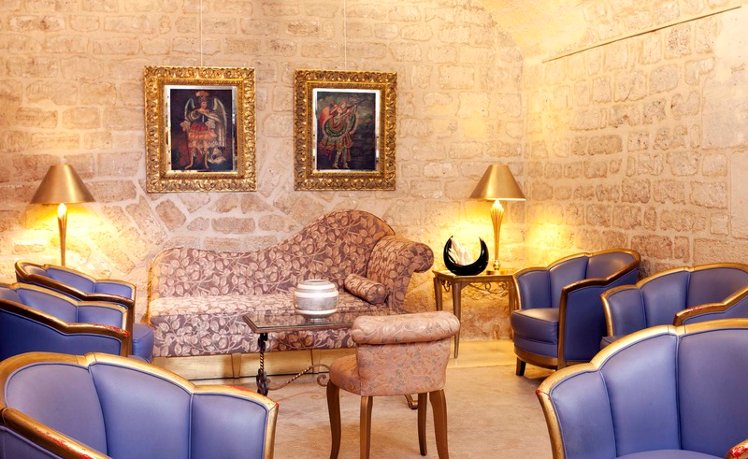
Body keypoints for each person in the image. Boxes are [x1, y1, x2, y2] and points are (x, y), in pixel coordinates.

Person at [179, 90, 227, 170]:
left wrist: (210, 125)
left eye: (206, 103)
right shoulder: (196, 111)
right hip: (195, 129)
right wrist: (185, 125)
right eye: (203, 103)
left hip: (205, 129)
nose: (205, 104)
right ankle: (191, 163)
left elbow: (213, 119)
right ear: (200, 103)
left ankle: (205, 164)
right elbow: (189, 118)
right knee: (193, 146)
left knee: (205, 147)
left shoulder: (208, 111)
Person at [318, 99, 358, 169]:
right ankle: (335, 163)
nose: (343, 106)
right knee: (340, 150)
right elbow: (335, 121)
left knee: (345, 149)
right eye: (342, 104)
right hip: (339, 134)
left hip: (345, 134)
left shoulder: (345, 113)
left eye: (344, 104)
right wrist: (341, 116)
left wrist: (351, 110)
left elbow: (350, 117)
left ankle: (344, 164)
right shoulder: (337, 114)